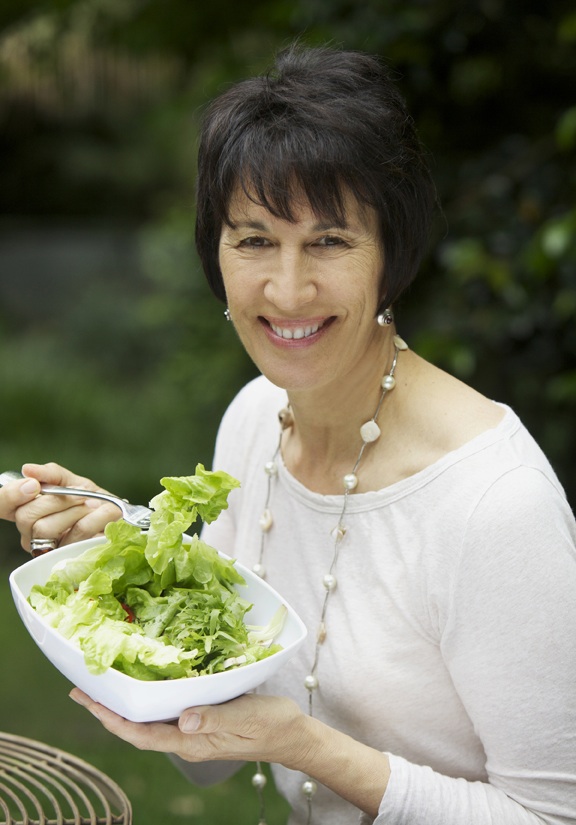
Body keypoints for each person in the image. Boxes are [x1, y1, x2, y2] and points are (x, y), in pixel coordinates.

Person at [2, 43, 576, 825]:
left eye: (331, 241)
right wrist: (137, 572)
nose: (287, 288)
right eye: (254, 239)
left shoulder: (493, 505)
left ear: (393, 254)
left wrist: (308, 746)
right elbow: (211, 755)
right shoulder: (253, 420)